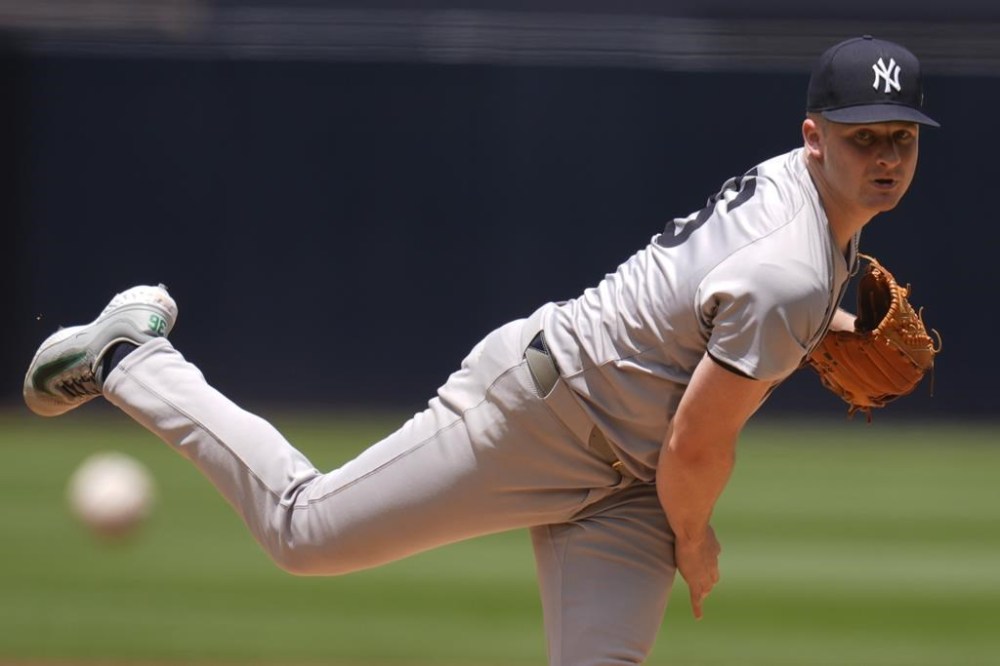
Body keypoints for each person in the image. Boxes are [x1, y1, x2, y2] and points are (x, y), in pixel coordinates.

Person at [23, 35, 938, 665]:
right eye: (864, 138)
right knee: (304, 533)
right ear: (815, 140)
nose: (886, 156)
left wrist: (828, 323)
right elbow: (701, 446)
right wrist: (694, 543)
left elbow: (718, 312)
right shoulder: (791, 267)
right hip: (543, 414)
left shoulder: (802, 210)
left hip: (627, 474)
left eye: (901, 138)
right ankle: (131, 356)